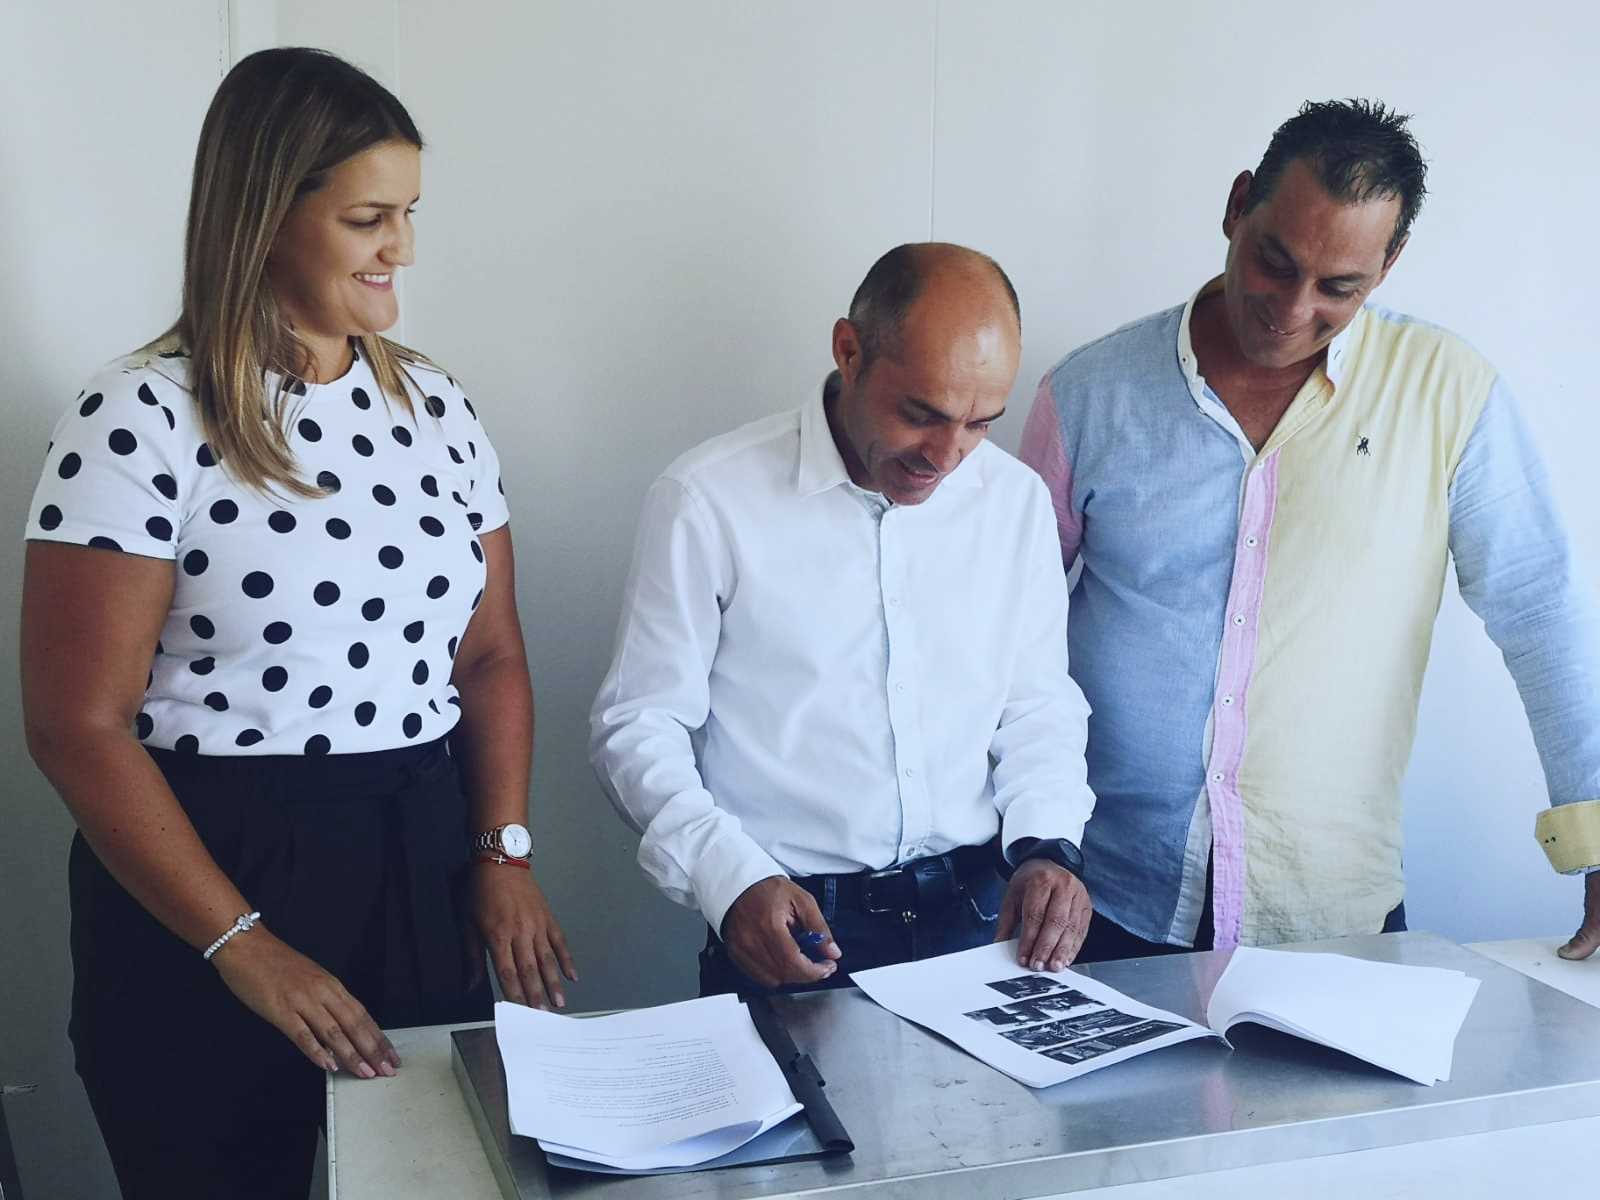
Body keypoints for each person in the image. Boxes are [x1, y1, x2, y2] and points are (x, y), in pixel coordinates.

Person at [20, 48, 574, 1198]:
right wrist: (243, 944)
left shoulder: (437, 407)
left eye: (409, 213)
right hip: (208, 870)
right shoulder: (139, 416)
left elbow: (490, 655)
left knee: (445, 1182)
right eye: (369, 218)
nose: (401, 249)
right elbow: (77, 725)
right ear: (265, 217)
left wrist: (500, 850)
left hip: (418, 854)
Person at [1019, 99, 1600, 962]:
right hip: (1103, 901)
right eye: (1275, 262)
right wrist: (1024, 845)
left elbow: (1539, 607)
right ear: (1237, 205)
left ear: (1389, 264)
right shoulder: (1089, 392)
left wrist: (1596, 836)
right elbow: (1005, 641)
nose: (1292, 310)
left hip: (1332, 913)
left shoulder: (1450, 394)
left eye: (1339, 288)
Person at [590, 243, 1096, 997]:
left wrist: (1049, 844)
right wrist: (728, 877)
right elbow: (638, 723)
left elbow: (1036, 702)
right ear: (849, 351)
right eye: (921, 415)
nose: (947, 456)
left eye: (980, 424)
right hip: (790, 921)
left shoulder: (1014, 500)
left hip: (981, 917)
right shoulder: (708, 499)